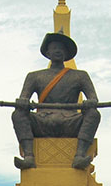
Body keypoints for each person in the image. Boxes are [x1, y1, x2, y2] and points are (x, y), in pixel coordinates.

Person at [11, 33, 100, 169]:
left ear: (66, 53)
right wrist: (23, 103)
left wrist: (90, 103)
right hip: (43, 121)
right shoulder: (34, 76)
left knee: (94, 114)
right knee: (18, 114)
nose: (58, 51)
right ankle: (29, 156)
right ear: (48, 52)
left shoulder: (80, 76)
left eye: (61, 48)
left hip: (71, 121)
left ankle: (79, 156)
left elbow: (93, 98)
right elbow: (24, 98)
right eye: (54, 48)